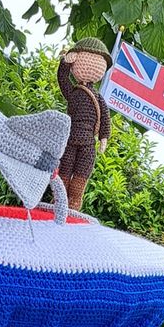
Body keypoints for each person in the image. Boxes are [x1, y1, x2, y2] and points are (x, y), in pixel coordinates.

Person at [56, 37, 112, 210]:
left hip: (88, 141)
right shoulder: (73, 92)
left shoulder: (99, 98)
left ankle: (74, 202)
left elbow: (105, 118)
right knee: (64, 169)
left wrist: (104, 137)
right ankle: (59, 199)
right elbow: (62, 79)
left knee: (82, 172)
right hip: (70, 138)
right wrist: (65, 63)